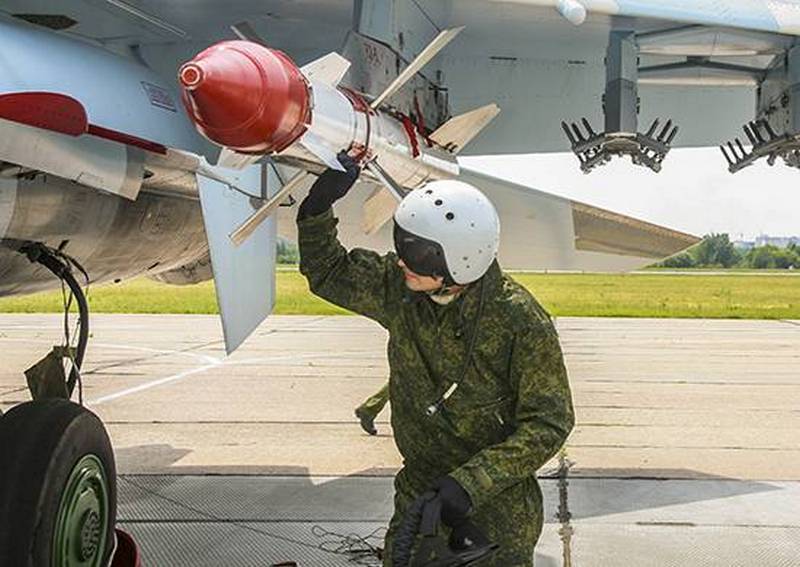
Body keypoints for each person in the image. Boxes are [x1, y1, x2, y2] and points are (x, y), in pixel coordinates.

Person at [297, 153, 575, 567]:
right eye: (402, 246)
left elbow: (550, 422)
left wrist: (470, 483)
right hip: (420, 495)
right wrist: (316, 209)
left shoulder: (518, 319)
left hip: (495, 513)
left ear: (459, 259)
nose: (403, 261)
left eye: (418, 254)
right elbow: (328, 271)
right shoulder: (401, 289)